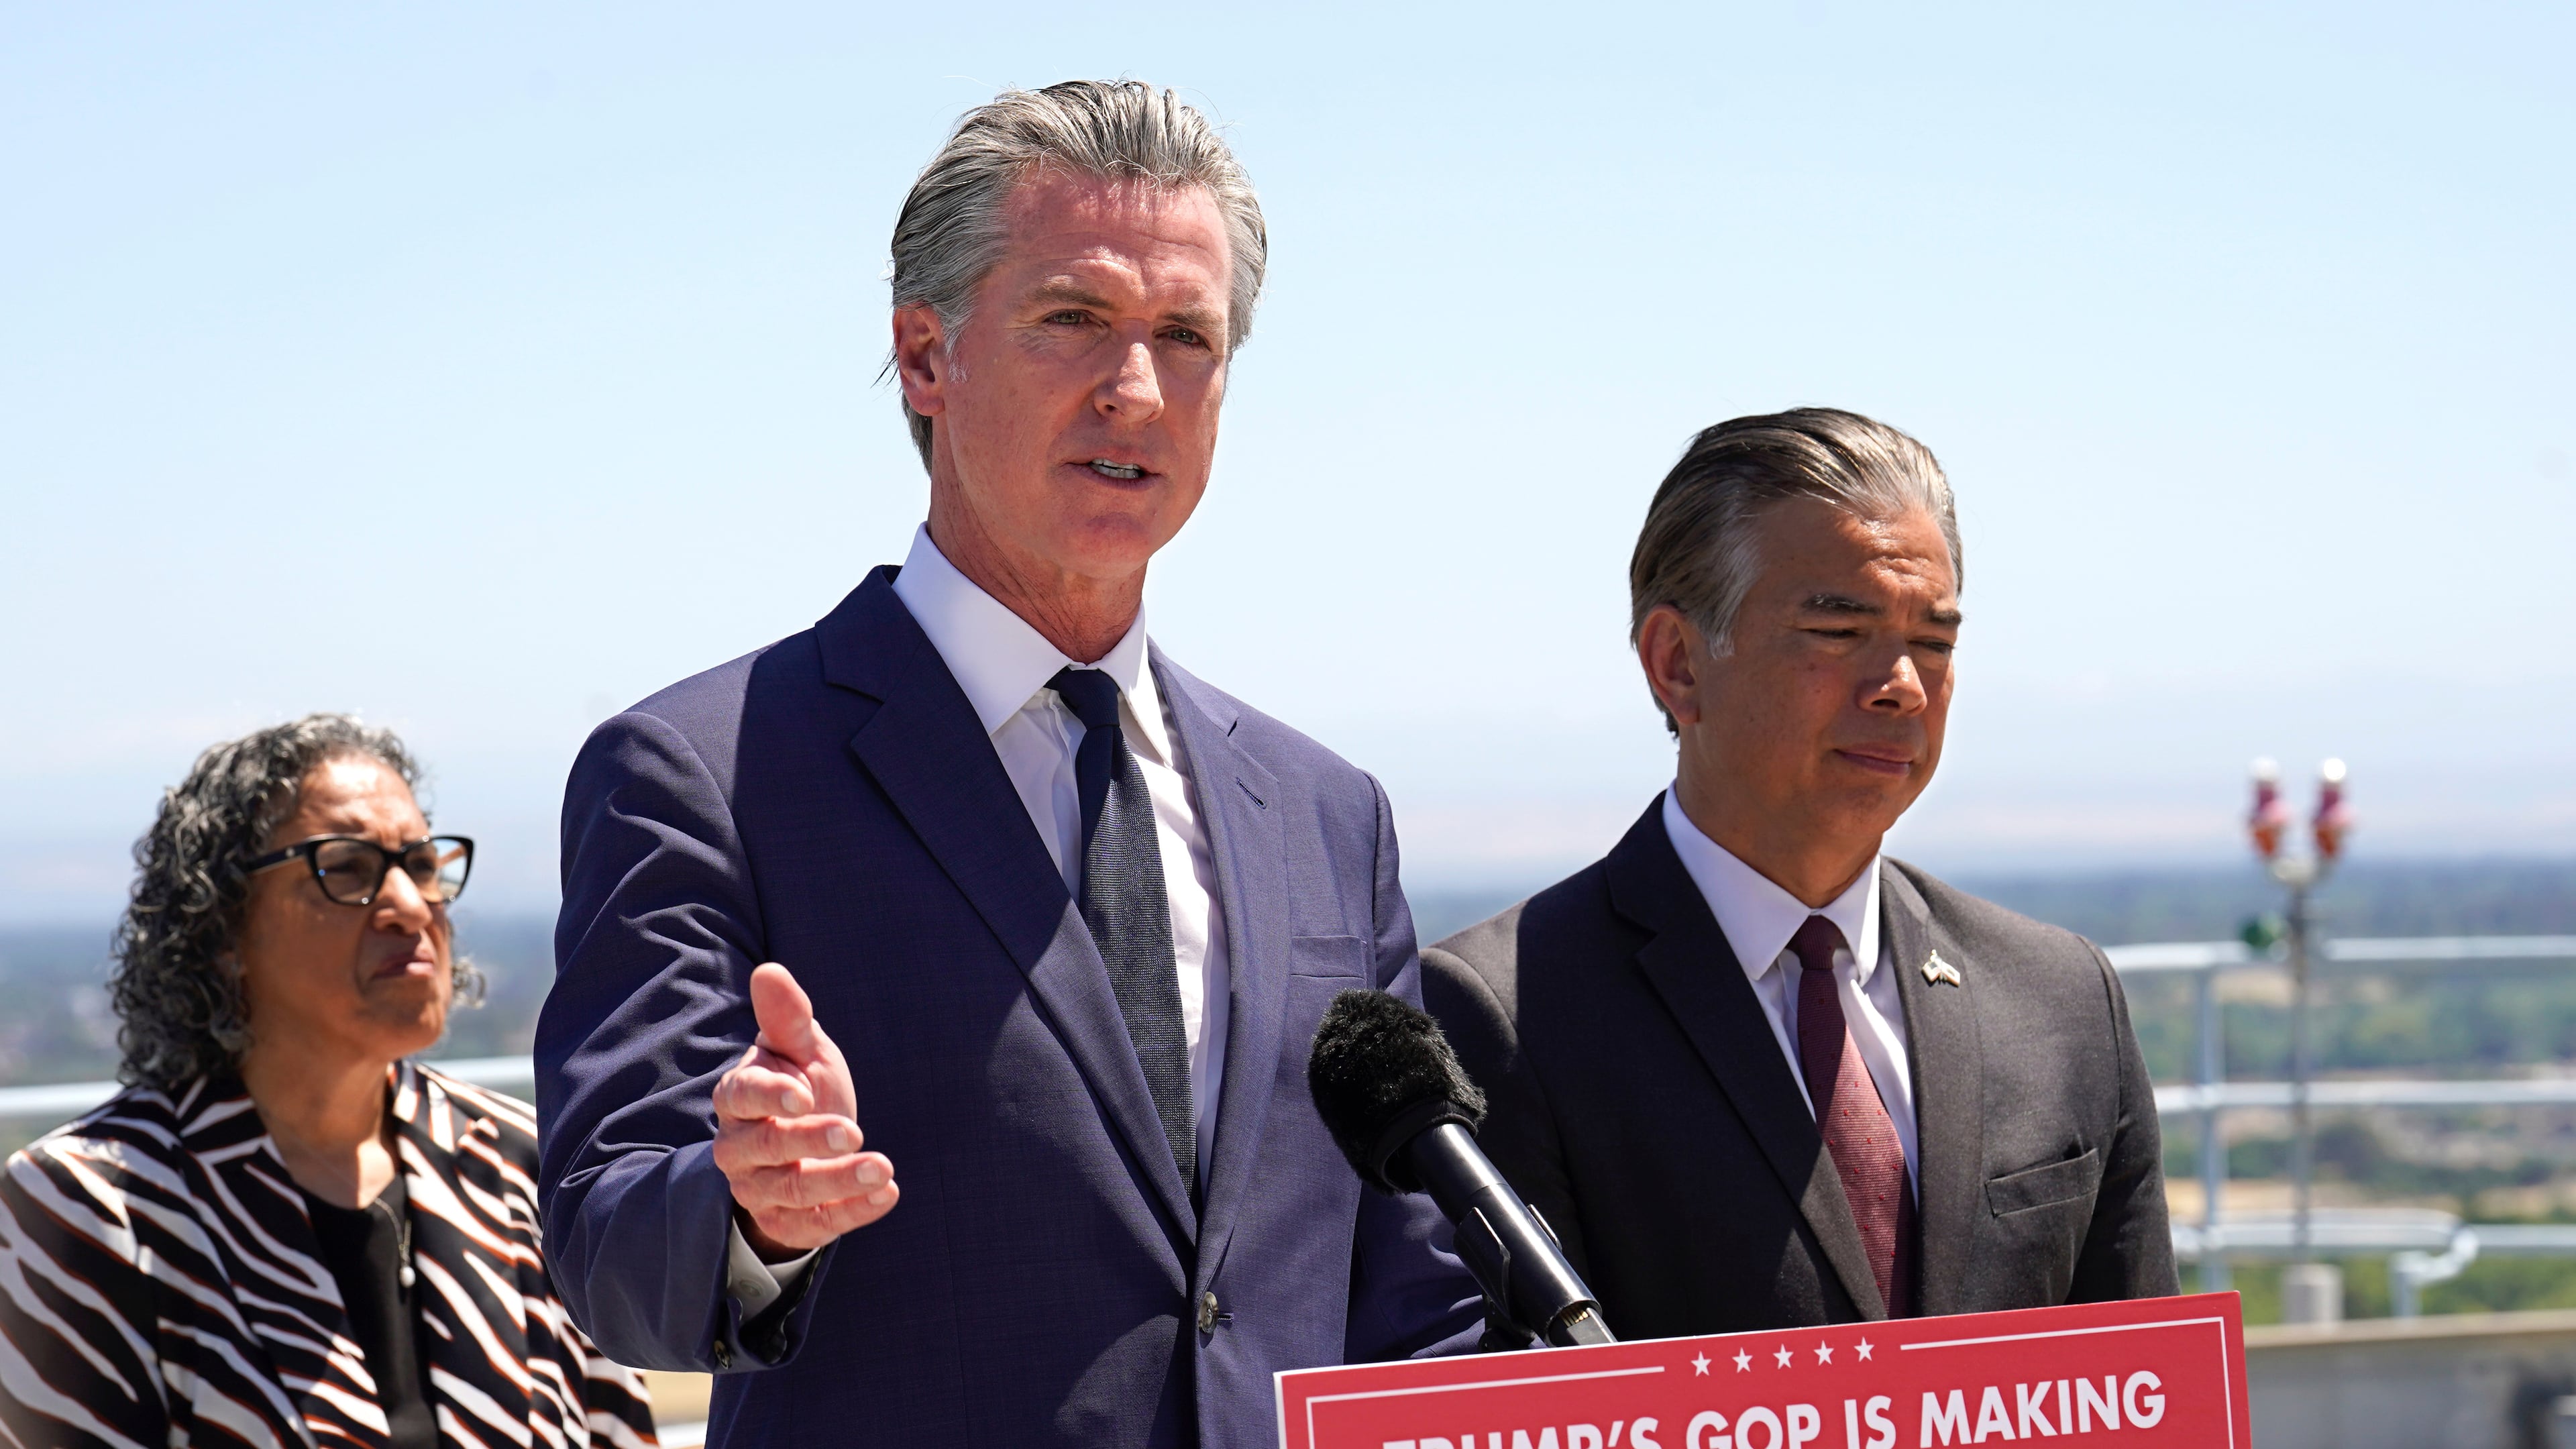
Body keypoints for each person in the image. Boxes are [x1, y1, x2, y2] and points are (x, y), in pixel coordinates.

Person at [536, 80, 1479, 1449]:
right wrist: (750, 1209)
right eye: (1074, 321)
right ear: (925, 357)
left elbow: (1410, 1294)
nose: (1138, 389)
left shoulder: (1329, 815)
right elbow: (613, 1246)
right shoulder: (705, 773)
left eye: (1186, 337)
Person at [1423, 409, 2177, 1342]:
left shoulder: (2060, 1001)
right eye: (1839, 627)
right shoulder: (1502, 1013)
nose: (1901, 681)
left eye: (1934, 642)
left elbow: (2144, 1387)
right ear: (1678, 664)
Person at [0, 714, 657, 1449]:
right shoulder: (91, 1205)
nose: (410, 906)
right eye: (346, 868)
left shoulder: (526, 1165)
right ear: (219, 929)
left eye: (421, 865)